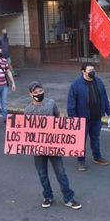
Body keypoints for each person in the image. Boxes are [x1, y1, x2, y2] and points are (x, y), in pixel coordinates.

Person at [25, 82, 81, 210]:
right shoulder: (28, 110)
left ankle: (68, 198)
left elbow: (58, 119)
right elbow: (26, 129)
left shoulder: (51, 103)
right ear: (30, 94)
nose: (39, 94)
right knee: (42, 173)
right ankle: (48, 196)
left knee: (61, 172)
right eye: (35, 92)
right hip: (38, 148)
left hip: (53, 146)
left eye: (40, 91)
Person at [67, 63, 110, 171]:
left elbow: (104, 97)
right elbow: (71, 104)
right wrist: (73, 119)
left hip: (96, 117)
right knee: (81, 141)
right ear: (83, 71)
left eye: (93, 69)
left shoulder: (99, 82)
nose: (92, 71)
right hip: (83, 119)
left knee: (95, 138)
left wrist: (108, 111)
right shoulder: (76, 85)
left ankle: (97, 157)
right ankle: (81, 161)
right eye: (89, 70)